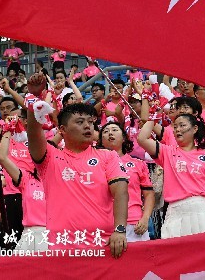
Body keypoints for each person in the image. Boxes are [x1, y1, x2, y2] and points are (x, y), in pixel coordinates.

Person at [25, 73, 129, 258]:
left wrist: (120, 229)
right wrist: (34, 98)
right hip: (62, 250)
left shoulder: (108, 156)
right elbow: (33, 133)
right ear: (62, 130)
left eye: (90, 122)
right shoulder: (50, 157)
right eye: (80, 122)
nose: (88, 126)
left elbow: (120, 192)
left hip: (103, 247)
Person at [137, 105, 205, 238]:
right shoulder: (167, 152)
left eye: (182, 125)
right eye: (175, 127)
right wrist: (155, 116)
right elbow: (142, 139)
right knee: (176, 251)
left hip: (202, 210)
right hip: (174, 212)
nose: (178, 130)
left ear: (195, 129)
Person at [100, 121, 154, 242]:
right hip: (105, 224)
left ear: (124, 138)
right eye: (106, 131)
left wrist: (145, 218)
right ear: (101, 141)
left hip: (135, 224)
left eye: (114, 130)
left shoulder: (138, 163)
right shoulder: (96, 164)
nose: (110, 133)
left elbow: (149, 194)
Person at [0, 128, 47, 251]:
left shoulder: (60, 182)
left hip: (51, 236)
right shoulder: (27, 179)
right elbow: (2, 158)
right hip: (29, 235)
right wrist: (8, 131)